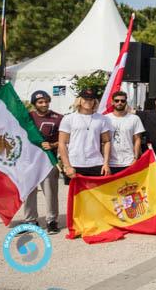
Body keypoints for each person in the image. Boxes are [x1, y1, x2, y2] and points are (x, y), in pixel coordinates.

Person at [22, 90, 63, 234]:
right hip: (29, 162)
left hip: (48, 161)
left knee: (51, 192)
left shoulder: (58, 118)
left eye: (46, 101)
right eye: (40, 102)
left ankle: (52, 221)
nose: (44, 104)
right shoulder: (26, 118)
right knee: (29, 193)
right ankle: (30, 221)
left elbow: (65, 140)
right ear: (34, 104)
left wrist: (52, 145)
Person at [59, 88, 112, 178]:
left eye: (91, 99)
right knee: (75, 192)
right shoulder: (69, 118)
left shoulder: (102, 119)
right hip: (74, 164)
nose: (88, 101)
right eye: (85, 99)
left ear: (95, 101)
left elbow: (106, 141)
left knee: (96, 192)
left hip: (96, 163)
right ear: (80, 100)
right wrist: (67, 166)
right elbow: (62, 143)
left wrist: (106, 164)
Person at [106, 91, 146, 174]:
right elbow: (103, 141)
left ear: (126, 102)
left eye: (122, 101)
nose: (119, 103)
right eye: (117, 101)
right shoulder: (105, 119)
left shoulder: (134, 118)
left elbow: (137, 140)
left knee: (129, 186)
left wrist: (135, 158)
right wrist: (105, 162)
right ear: (112, 102)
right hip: (110, 163)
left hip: (129, 162)